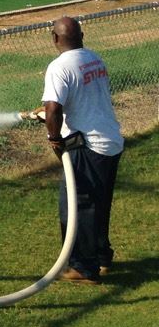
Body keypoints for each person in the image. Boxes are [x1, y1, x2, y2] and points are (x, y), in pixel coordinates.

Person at [38, 16, 124, 284]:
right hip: (111, 141)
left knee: (77, 206)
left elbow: (53, 108)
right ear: (82, 36)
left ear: (54, 38)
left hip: (88, 146)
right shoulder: (94, 59)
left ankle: (84, 269)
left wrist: (54, 138)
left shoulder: (58, 67)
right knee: (99, 203)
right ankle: (101, 256)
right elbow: (80, 98)